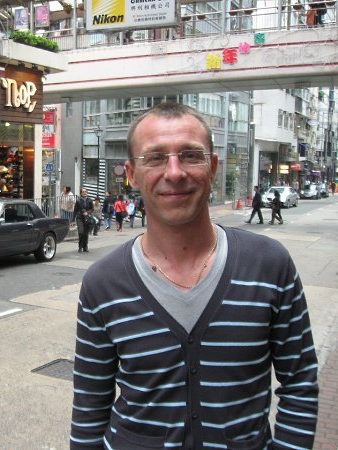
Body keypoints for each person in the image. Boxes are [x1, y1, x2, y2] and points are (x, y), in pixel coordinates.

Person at [70, 102, 318, 449]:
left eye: (190, 155)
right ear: (131, 174)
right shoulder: (103, 282)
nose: (174, 172)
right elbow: (89, 410)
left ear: (212, 167)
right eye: (155, 158)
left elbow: (300, 384)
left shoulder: (270, 265)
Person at [72, 188, 93, 252]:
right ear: (81, 193)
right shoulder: (78, 201)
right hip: (79, 218)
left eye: (85, 191)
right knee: (81, 232)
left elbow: (92, 209)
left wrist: (87, 212)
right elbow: (75, 211)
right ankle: (80, 246)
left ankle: (85, 246)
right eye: (83, 192)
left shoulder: (90, 200)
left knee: (86, 233)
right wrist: (72, 220)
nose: (84, 193)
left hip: (87, 218)